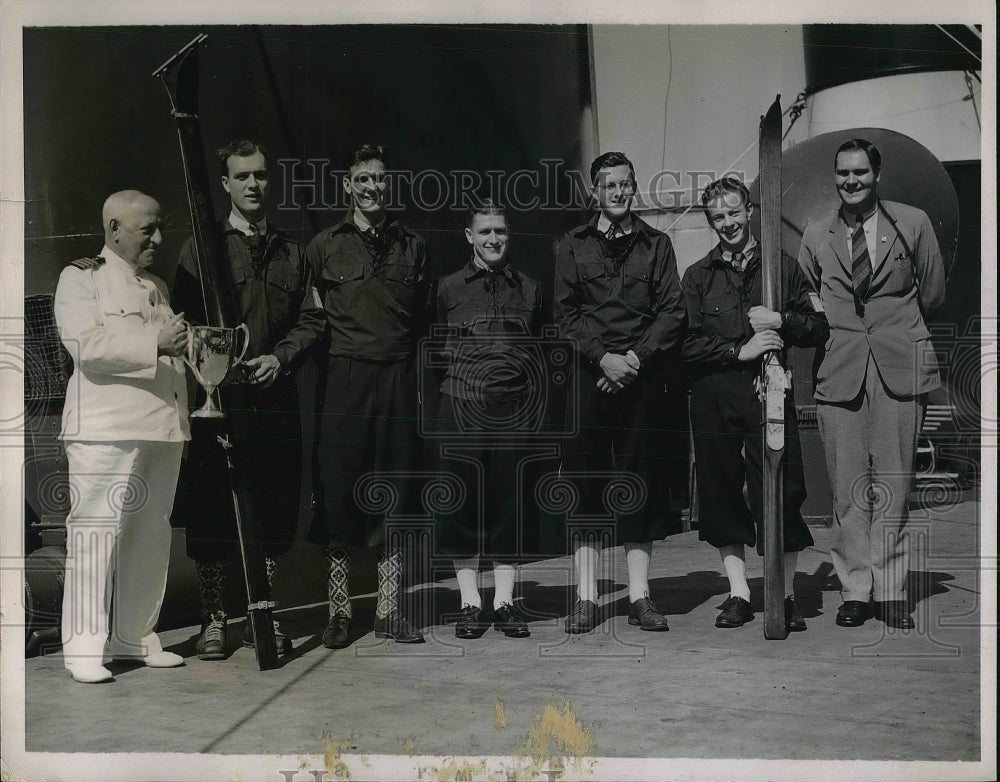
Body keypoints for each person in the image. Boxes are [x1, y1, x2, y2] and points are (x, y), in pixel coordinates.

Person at [172, 139, 325, 660]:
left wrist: (280, 358)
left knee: (275, 511)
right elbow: (182, 322)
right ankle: (216, 619)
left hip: (274, 399)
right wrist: (218, 363)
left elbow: (313, 319)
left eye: (260, 175)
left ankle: (267, 611)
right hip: (218, 404)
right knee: (212, 511)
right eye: (242, 177)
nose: (253, 185)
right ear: (225, 184)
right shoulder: (201, 249)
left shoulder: (293, 253)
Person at [797, 139, 946, 629]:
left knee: (894, 485)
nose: (851, 181)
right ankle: (856, 590)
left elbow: (933, 291)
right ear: (834, 177)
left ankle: (891, 589)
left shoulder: (913, 222)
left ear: (877, 174)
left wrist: (897, 327)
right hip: (840, 371)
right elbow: (807, 294)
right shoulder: (817, 234)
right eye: (842, 173)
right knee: (847, 491)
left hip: (900, 367)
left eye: (860, 172)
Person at [54, 190, 190, 683]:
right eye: (146, 230)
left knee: (150, 534)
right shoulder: (81, 277)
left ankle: (133, 637)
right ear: (114, 229)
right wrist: (156, 340)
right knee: (95, 532)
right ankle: (84, 650)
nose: (157, 238)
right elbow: (86, 344)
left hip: (161, 424)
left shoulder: (153, 284)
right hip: (105, 428)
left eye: (160, 228)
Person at [682, 176, 828, 631]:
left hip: (770, 391)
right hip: (716, 394)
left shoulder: (781, 267)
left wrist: (781, 319)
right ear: (712, 223)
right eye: (717, 217)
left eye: (733, 212)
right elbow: (684, 346)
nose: (728, 223)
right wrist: (736, 350)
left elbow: (818, 327)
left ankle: (783, 595)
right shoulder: (698, 276)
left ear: (749, 211)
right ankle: (740, 593)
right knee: (722, 493)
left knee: (781, 489)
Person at [553, 151, 685, 634]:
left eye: (626, 184)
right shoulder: (571, 245)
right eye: (609, 185)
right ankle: (587, 598)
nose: (619, 192)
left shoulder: (658, 244)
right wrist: (602, 358)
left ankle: (640, 597)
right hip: (590, 380)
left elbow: (672, 312)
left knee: (640, 487)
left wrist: (633, 360)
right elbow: (566, 313)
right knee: (586, 487)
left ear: (634, 187)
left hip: (641, 381)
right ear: (595, 191)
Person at [306, 143, 427, 648]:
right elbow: (312, 320)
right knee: (339, 493)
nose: (373, 188)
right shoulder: (324, 246)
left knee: (393, 492)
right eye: (363, 180)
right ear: (349, 186)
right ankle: (338, 612)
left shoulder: (413, 245)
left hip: (396, 379)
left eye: (380, 179)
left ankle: (389, 608)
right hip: (345, 378)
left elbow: (422, 319)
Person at [432, 198, 542, 640]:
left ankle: (505, 603)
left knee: (507, 508)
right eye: (485, 232)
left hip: (513, 412)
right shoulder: (446, 288)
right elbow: (432, 347)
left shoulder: (530, 289)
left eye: (500, 231)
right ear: (469, 237)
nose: (493, 239)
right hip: (459, 409)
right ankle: (470, 604)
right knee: (462, 507)